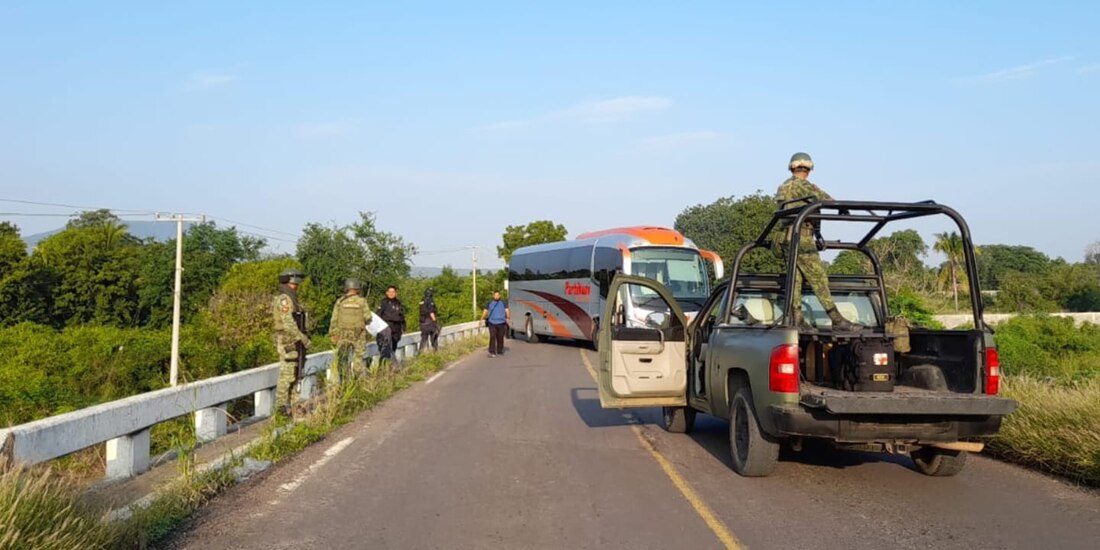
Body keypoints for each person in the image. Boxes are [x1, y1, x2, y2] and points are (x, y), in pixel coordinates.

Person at [773, 152, 860, 332]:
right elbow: (824, 199)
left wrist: (817, 233)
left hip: (785, 238)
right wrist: (842, 207)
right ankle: (836, 318)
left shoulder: (783, 186)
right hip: (800, 237)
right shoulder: (804, 186)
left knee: (795, 280)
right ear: (809, 168)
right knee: (818, 276)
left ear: (792, 167)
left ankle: (796, 318)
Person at [272, 268, 310, 413]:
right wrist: (303, 338)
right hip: (289, 340)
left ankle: (295, 404)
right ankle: (281, 407)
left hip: (296, 340)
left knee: (297, 372)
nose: (297, 286)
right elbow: (288, 323)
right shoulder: (284, 299)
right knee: (287, 374)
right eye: (295, 282)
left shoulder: (293, 298)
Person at [328, 278, 372, 383]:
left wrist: (333, 334)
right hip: (358, 335)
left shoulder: (340, 301)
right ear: (357, 288)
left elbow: (334, 319)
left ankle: (344, 382)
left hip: (342, 335)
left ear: (346, 288)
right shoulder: (362, 301)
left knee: (343, 359)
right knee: (358, 359)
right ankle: (358, 383)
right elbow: (368, 317)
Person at [377, 285, 406, 364]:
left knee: (393, 347)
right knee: (386, 349)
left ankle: (390, 366)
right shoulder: (384, 302)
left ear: (396, 293)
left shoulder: (398, 303)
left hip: (396, 329)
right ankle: (384, 367)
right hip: (386, 328)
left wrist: (403, 327)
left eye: (393, 292)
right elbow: (378, 315)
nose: (391, 293)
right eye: (389, 292)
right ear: (386, 293)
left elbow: (402, 316)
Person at [481, 290, 510, 357]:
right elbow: (485, 311)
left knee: (500, 337)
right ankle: (492, 351)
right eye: (495, 295)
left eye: (498, 295)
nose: (496, 296)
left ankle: (499, 350)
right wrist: (481, 319)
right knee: (492, 336)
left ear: (500, 296)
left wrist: (508, 317)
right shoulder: (489, 302)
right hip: (492, 323)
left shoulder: (503, 302)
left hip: (501, 322)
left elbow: (507, 310)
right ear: (493, 296)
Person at [419, 287, 439, 352]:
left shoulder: (422, 300)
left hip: (423, 322)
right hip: (429, 322)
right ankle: (435, 353)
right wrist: (435, 322)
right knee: (434, 337)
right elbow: (431, 312)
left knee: (424, 339)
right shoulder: (430, 300)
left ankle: (420, 354)